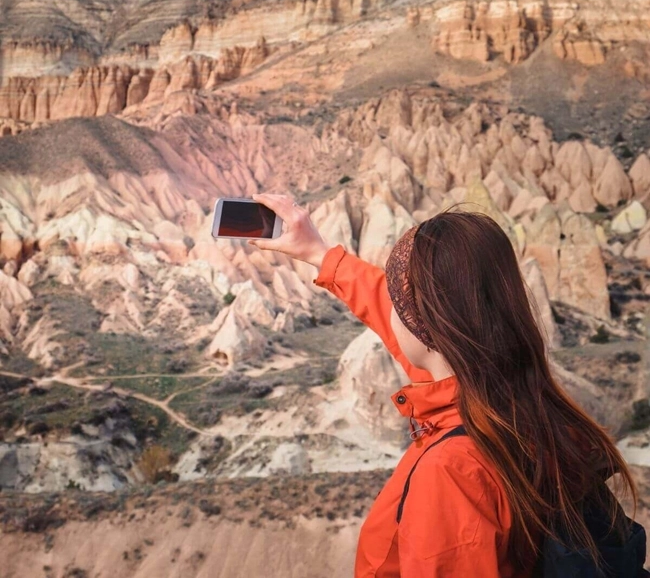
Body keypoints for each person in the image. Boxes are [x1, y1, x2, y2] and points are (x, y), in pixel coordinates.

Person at [247, 193, 639, 577]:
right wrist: (320, 254)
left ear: (428, 327)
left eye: (401, 306)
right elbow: (401, 310)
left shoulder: (452, 473)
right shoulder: (517, 397)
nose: (394, 314)